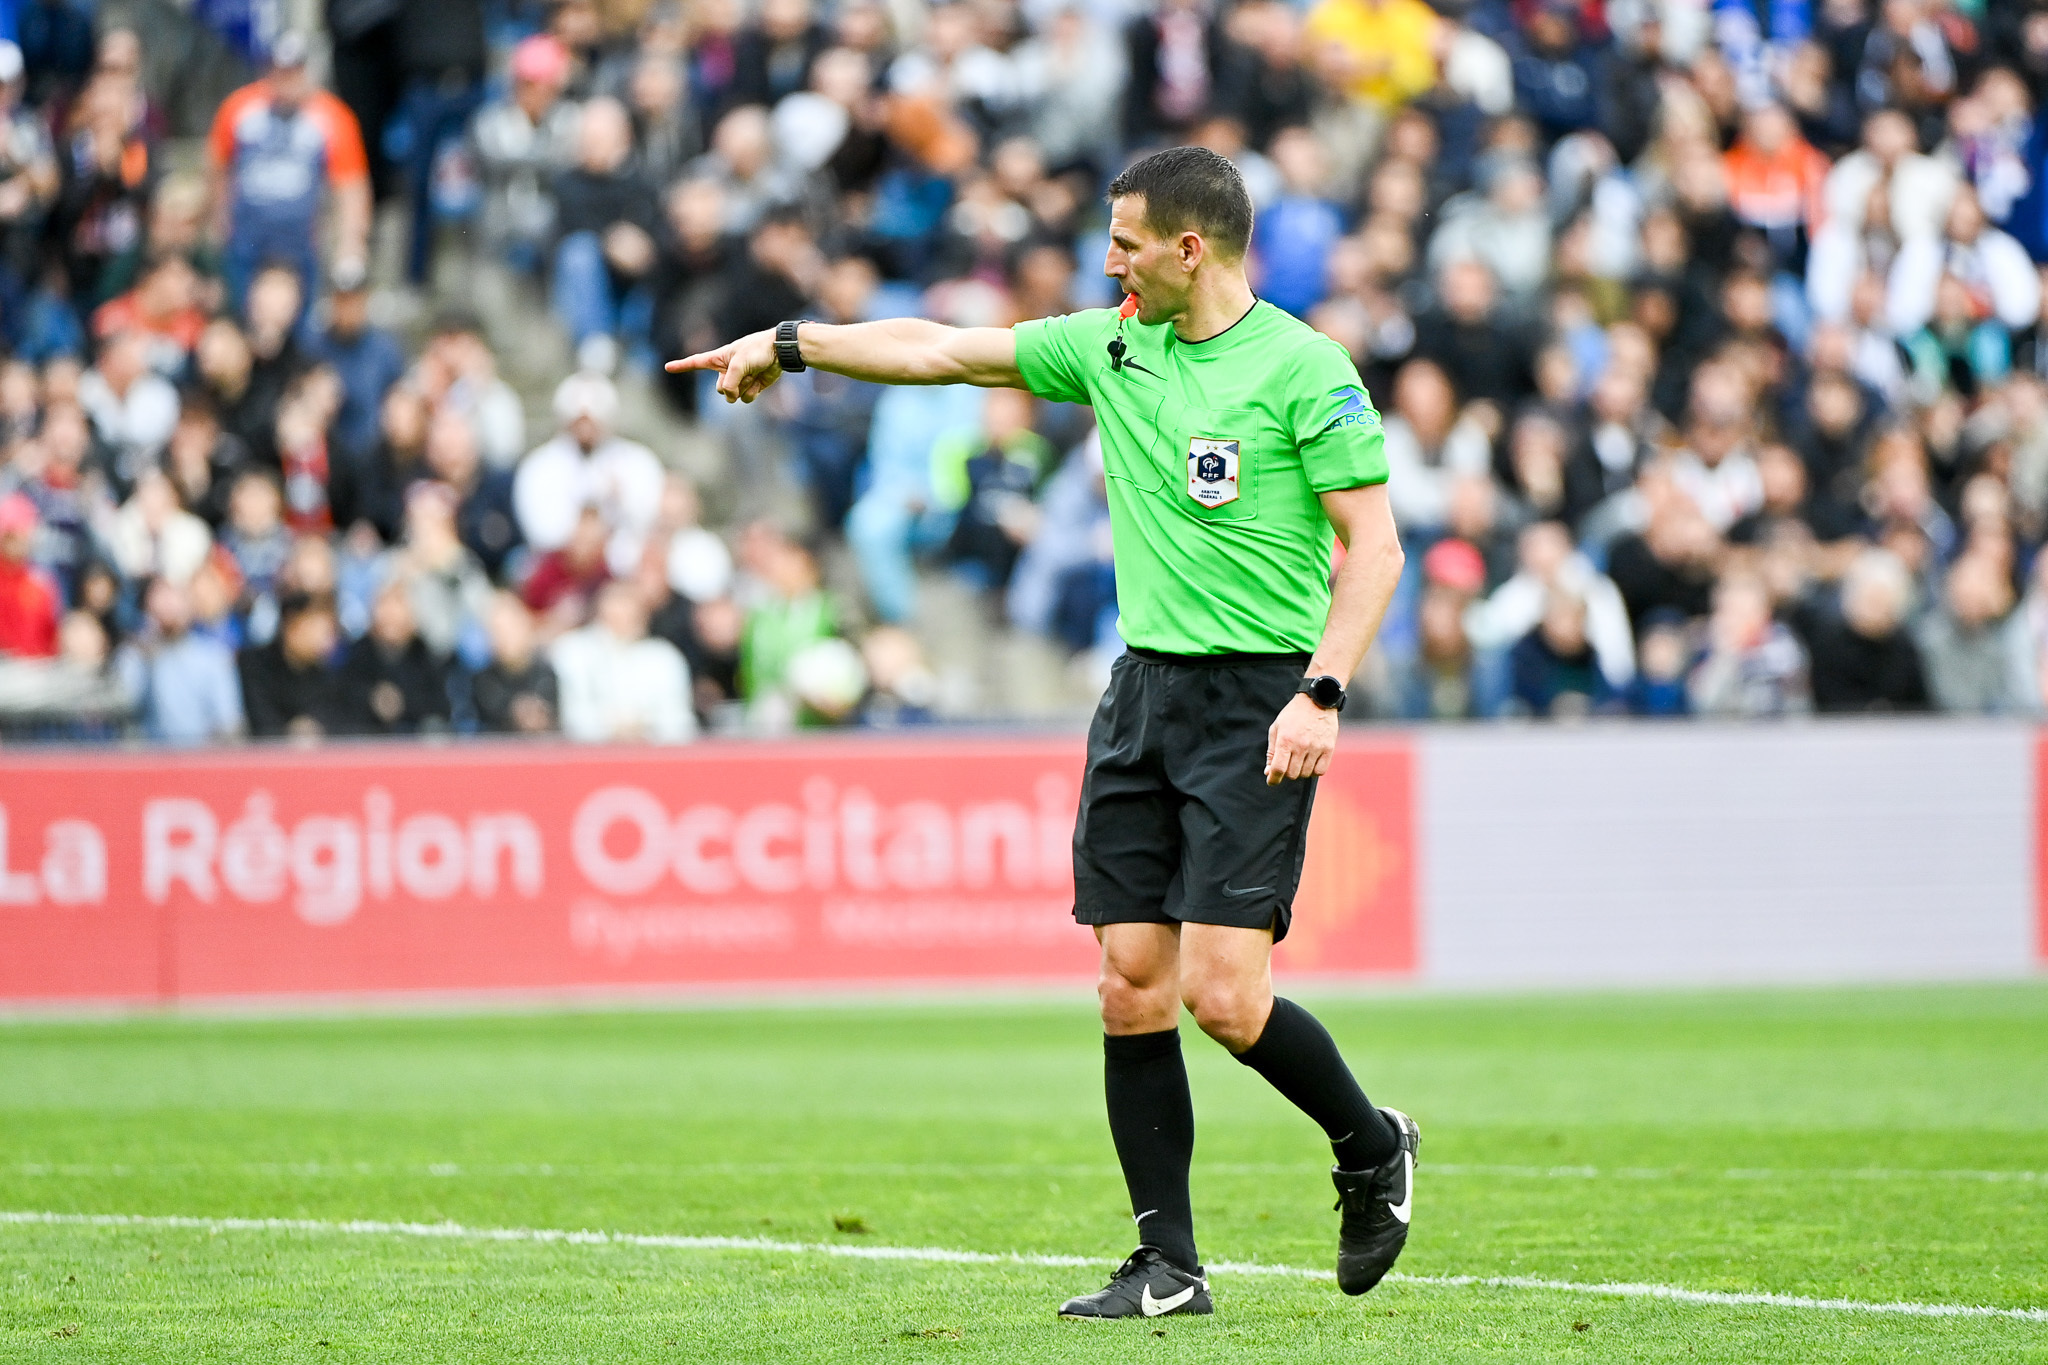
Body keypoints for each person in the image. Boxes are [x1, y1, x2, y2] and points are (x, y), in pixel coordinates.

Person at [667, 144, 1412, 1319]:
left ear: (1188, 246)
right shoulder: (1112, 343)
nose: (1103, 260)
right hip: (1141, 696)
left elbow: (1373, 549)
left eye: (1122, 241)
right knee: (1127, 983)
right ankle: (1168, 1265)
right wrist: (793, 341)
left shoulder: (1303, 370)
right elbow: (943, 350)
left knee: (1224, 997)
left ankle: (1370, 1146)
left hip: (1255, 697)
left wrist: (1319, 693)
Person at [205, 33, 372, 308]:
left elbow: (351, 186)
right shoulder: (240, 108)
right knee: (239, 312)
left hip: (300, 238)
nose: (286, 81)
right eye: (280, 71)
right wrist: (217, 221)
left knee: (300, 318)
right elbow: (218, 168)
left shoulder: (332, 117)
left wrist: (350, 244)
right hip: (247, 234)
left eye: (294, 71)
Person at [549, 579, 695, 742]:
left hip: (652, 756)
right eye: (616, 614)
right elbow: (572, 715)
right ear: (599, 612)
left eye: (631, 613)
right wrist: (611, 728)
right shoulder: (573, 652)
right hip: (588, 757)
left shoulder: (664, 657)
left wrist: (643, 727)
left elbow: (680, 720)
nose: (624, 620)